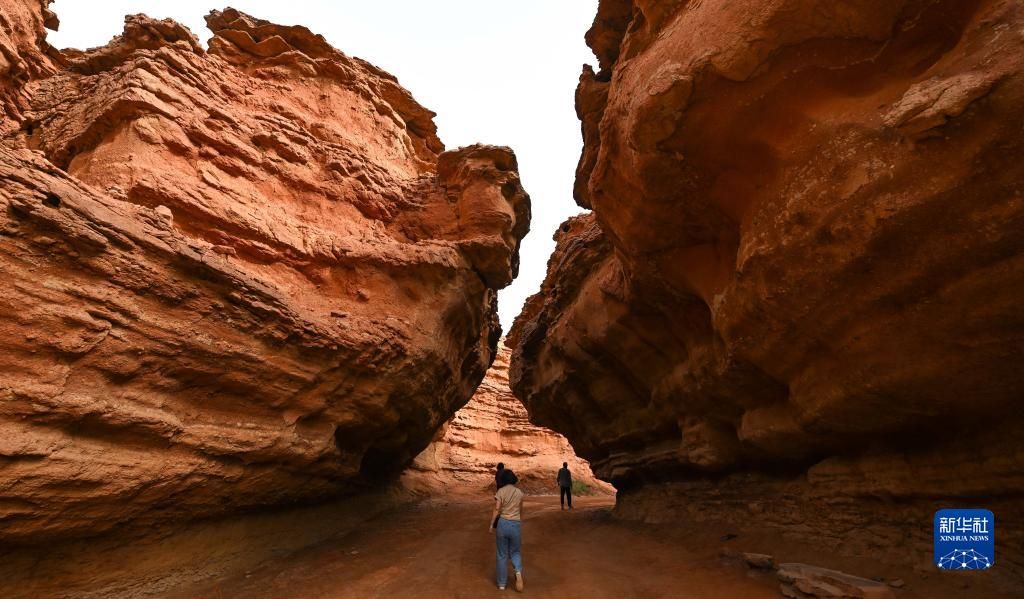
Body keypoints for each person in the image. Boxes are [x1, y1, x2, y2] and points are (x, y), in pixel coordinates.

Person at [489, 469, 525, 592]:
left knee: (501, 554)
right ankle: (518, 572)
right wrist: (518, 521)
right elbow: (521, 510)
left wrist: (491, 524)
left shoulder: (501, 491)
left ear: (504, 480)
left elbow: (496, 509)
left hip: (503, 523)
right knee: (515, 552)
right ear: (513, 479)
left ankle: (502, 584)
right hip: (515, 524)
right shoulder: (519, 493)